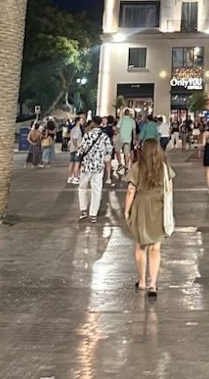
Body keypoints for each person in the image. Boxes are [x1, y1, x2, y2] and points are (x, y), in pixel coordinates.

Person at [124, 138, 175, 296]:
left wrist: (127, 210)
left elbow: (131, 190)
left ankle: (142, 281)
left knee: (141, 245)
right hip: (159, 207)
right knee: (155, 247)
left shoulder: (137, 167)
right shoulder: (164, 168)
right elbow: (170, 189)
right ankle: (153, 284)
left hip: (142, 207)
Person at [77, 116, 114, 223]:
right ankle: (93, 214)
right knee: (96, 190)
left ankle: (83, 210)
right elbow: (108, 152)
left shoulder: (87, 135)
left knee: (82, 188)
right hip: (98, 167)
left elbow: (81, 150)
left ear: (93, 123)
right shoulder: (104, 137)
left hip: (86, 166)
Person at [67, 114, 84, 184]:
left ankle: (70, 177)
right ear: (78, 121)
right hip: (76, 149)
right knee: (77, 163)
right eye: (82, 120)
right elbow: (74, 139)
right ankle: (76, 177)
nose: (83, 122)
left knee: (71, 163)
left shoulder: (73, 129)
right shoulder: (77, 129)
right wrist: (77, 147)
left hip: (72, 149)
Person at [117, 109, 136, 174]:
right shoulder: (132, 120)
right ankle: (126, 166)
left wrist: (115, 134)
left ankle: (120, 163)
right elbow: (134, 131)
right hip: (128, 139)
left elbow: (118, 128)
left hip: (121, 138)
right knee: (126, 153)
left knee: (117, 150)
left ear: (124, 113)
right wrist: (134, 139)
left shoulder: (121, 119)